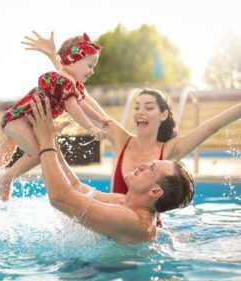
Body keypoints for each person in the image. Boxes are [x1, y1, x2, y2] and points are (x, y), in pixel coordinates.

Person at [24, 31, 241, 225]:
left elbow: (211, 126)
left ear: (163, 115)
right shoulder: (122, 141)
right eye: (137, 106)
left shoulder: (169, 152)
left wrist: (45, 141)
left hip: (124, 227)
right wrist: (57, 59)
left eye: (149, 107)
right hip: (110, 220)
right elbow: (80, 94)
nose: (140, 112)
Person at [0, 32, 110, 209]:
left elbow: (82, 103)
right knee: (37, 154)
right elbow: (74, 108)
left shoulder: (69, 82)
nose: (92, 71)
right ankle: (6, 178)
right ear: (73, 60)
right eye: (89, 65)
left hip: (15, 117)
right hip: (20, 119)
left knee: (3, 157)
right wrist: (90, 127)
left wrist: (100, 118)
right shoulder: (64, 81)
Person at [28, 95, 195, 244]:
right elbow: (75, 188)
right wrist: (51, 138)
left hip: (107, 275)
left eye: (151, 168)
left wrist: (45, 140)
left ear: (155, 191)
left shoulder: (133, 221)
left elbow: (60, 198)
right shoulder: (123, 201)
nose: (142, 165)